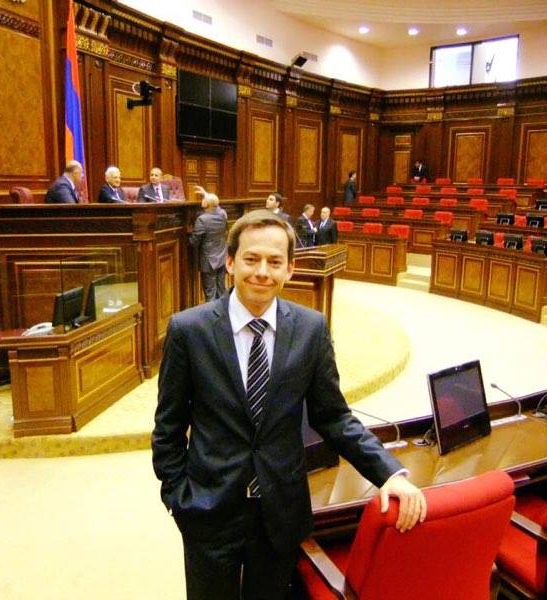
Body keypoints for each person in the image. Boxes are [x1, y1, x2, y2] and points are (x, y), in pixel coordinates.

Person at [152, 209, 426, 600]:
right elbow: (169, 427)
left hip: (279, 512)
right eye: (251, 259)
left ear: (290, 269)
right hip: (209, 510)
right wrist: (178, 497)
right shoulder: (188, 330)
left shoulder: (311, 329)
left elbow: (334, 417)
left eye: (274, 261)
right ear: (229, 262)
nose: (262, 272)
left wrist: (389, 474)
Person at [190, 186, 228, 302]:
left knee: (210, 292)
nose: (202, 200)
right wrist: (206, 194)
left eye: (204, 199)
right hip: (222, 256)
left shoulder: (202, 219)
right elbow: (217, 206)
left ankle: (212, 313)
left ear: (207, 204)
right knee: (221, 289)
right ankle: (224, 311)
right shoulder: (223, 215)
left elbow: (194, 241)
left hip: (209, 259)